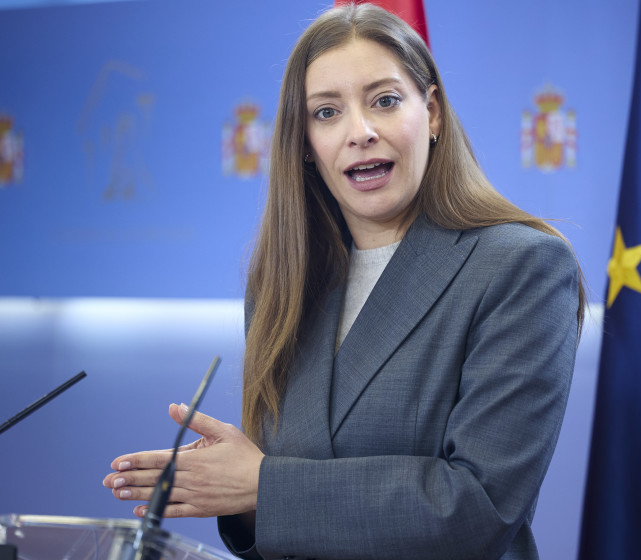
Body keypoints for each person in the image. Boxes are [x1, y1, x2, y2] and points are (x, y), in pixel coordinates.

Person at [103, 4, 586, 559]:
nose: (360, 132)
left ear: (431, 113)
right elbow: (271, 506)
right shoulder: (282, 283)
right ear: (305, 143)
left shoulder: (522, 266)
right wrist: (234, 491)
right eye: (327, 112)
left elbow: (479, 507)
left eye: (384, 101)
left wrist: (261, 484)